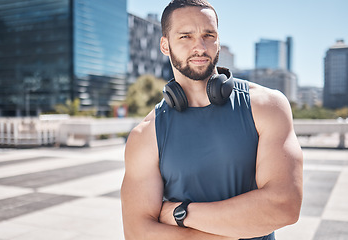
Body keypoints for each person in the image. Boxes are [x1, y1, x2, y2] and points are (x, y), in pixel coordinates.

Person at [121, 0, 303, 239]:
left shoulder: (267, 106)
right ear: (165, 45)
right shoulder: (146, 134)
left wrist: (180, 214)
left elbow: (284, 207)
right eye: (185, 37)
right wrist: (244, 225)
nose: (200, 47)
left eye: (208, 35)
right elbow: (138, 233)